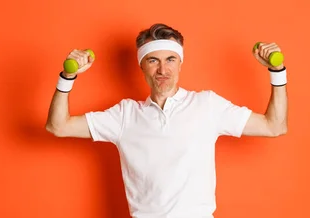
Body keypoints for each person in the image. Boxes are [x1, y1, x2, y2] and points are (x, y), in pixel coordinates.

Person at [45, 23, 288, 218]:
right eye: (153, 60)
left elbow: (274, 126)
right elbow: (58, 126)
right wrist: (68, 77)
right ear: (142, 66)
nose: (163, 69)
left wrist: (277, 73)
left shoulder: (207, 105)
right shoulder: (124, 115)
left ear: (180, 63)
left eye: (170, 59)